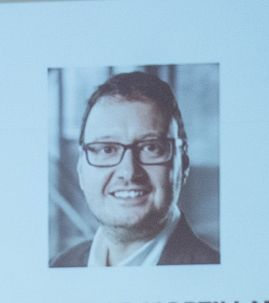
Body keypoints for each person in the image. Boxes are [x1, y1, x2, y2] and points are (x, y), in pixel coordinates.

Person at [50, 70, 220, 267]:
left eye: (151, 148)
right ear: (80, 169)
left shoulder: (216, 274)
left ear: (183, 165)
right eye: (107, 149)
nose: (129, 172)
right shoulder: (58, 266)